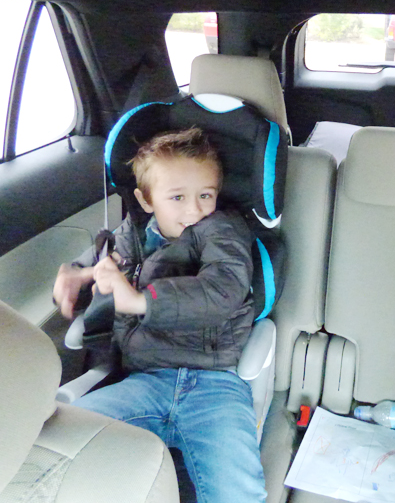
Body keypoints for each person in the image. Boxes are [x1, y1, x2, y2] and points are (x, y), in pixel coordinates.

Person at [52, 127, 266, 502]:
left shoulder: (222, 230)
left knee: (237, 489)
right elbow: (103, 263)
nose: (194, 209)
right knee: (55, 443)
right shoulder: (132, 235)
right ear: (146, 199)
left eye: (205, 195)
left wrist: (142, 301)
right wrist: (78, 276)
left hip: (213, 384)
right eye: (177, 197)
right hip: (143, 381)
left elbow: (222, 289)